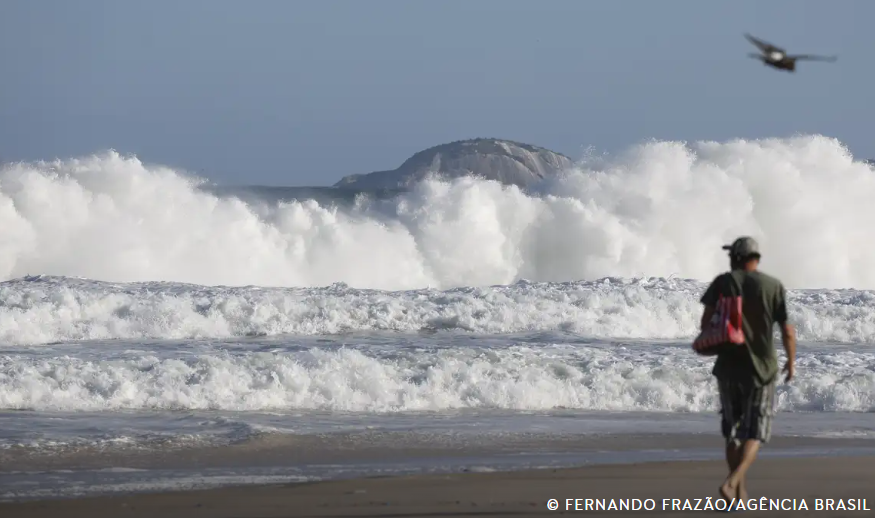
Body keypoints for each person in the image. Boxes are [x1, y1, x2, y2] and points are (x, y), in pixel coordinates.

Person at [698, 236, 796, 502]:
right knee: (755, 432)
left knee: (732, 431)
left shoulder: (723, 283)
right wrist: (791, 361)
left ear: (737, 257)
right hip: (761, 370)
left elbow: (706, 323)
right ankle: (734, 483)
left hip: (728, 367)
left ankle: (738, 490)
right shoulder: (772, 286)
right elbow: (786, 330)